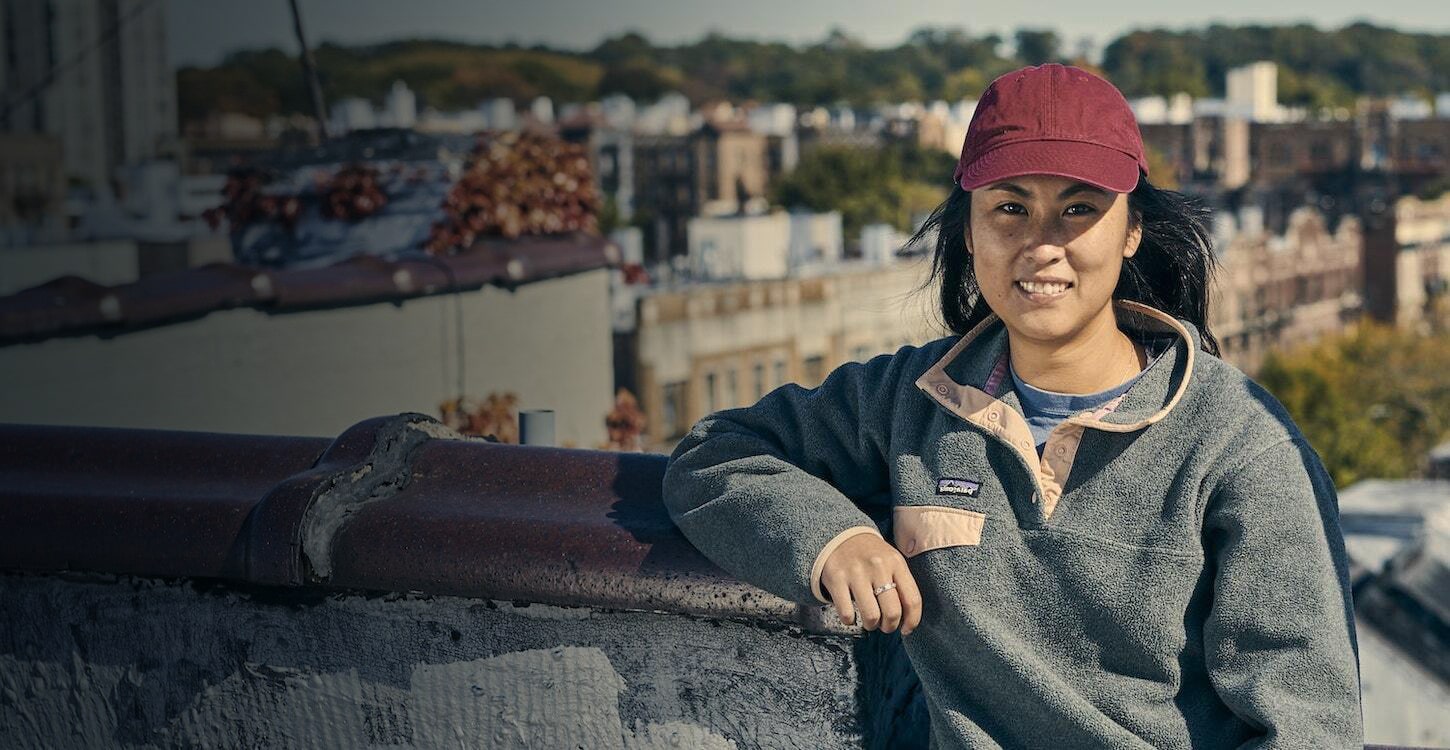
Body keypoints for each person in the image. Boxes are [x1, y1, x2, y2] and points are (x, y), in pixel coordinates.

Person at [661, 63, 1362, 749]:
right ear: (970, 232)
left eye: (1079, 209)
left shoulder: (1241, 446)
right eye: (1009, 208)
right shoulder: (911, 400)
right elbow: (715, 453)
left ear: (1131, 231)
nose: (1041, 244)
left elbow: (1309, 725)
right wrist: (832, 540)